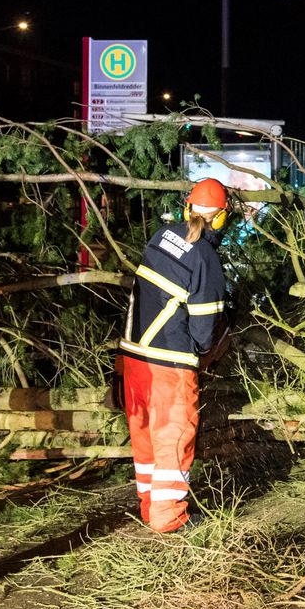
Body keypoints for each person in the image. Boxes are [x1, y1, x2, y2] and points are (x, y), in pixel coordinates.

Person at [116, 177, 229, 533]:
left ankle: (150, 507)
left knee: (146, 439)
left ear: (187, 208)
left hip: (134, 356)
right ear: (221, 218)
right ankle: (169, 518)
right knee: (173, 437)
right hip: (169, 362)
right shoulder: (206, 258)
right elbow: (203, 332)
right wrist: (208, 351)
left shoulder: (160, 236)